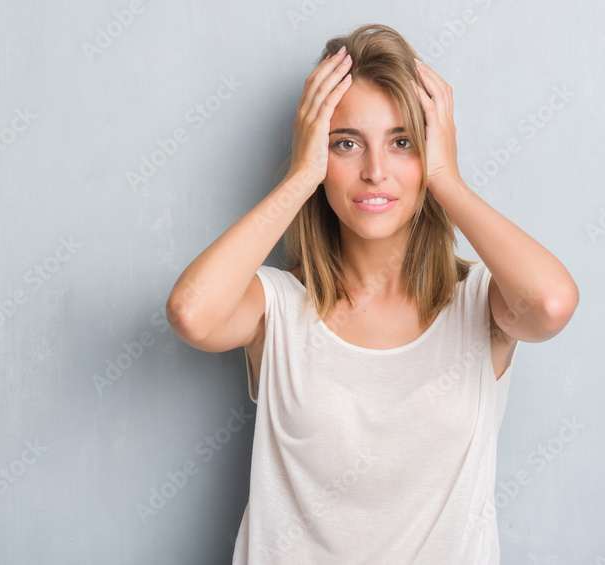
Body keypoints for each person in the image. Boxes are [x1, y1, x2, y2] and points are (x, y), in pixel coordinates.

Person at [166, 23, 578, 564]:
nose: (375, 171)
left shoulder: (483, 304)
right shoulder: (278, 307)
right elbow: (191, 313)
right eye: (346, 143)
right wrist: (299, 175)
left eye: (402, 142)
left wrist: (447, 179)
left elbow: (550, 304)